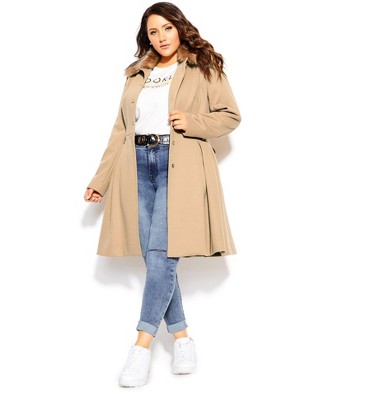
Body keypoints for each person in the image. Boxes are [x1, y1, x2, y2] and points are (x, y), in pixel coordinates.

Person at [84, 1, 241, 388]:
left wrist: (193, 121)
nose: (161, 37)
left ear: (179, 27)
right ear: (147, 37)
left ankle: (141, 346)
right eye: (153, 32)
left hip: (179, 164)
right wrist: (101, 180)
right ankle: (182, 338)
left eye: (167, 28)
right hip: (135, 166)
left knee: (160, 254)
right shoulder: (137, 73)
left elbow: (230, 115)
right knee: (154, 256)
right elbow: (121, 130)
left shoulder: (203, 66)